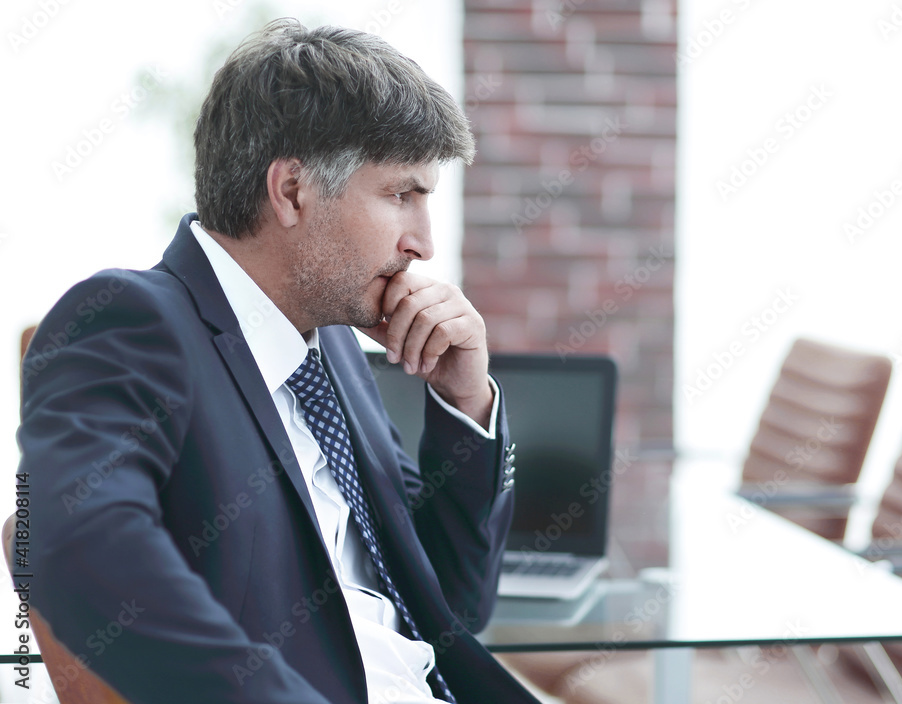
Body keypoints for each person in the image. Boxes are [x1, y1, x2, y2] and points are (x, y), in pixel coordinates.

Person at [18, 19, 538, 704]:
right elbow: (72, 546)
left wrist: (463, 404)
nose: (424, 244)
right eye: (400, 194)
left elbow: (450, 608)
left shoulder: (335, 350)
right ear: (292, 190)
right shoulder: (131, 320)